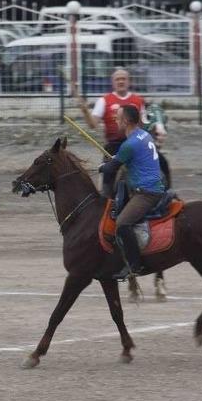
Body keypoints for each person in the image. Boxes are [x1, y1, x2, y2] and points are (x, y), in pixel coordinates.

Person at [98, 104, 165, 280]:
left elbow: (111, 169)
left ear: (126, 120)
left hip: (146, 193)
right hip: (153, 187)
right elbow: (126, 158)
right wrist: (117, 159)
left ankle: (135, 266)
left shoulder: (130, 144)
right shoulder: (144, 135)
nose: (115, 119)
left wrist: (101, 167)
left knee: (121, 223)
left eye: (118, 116)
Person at [73, 68, 145, 197]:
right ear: (113, 82)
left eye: (123, 78)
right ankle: (108, 202)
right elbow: (92, 124)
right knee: (107, 183)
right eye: (118, 79)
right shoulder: (104, 101)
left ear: (129, 81)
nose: (121, 81)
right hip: (113, 148)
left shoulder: (138, 101)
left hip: (134, 146)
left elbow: (143, 126)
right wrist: (84, 110)